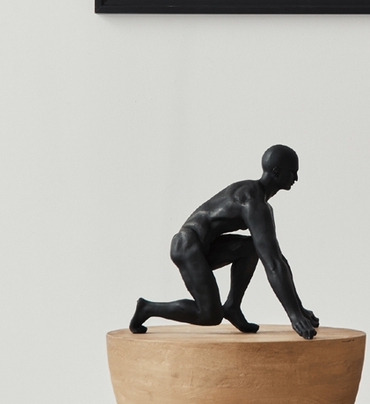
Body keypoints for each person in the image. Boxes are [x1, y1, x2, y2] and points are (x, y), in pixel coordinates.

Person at [129, 145, 319, 339]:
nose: (296, 178)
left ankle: (233, 306)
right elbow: (274, 265)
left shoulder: (257, 198)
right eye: (292, 172)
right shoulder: (253, 203)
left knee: (253, 247)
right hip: (187, 246)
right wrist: (294, 316)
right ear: (276, 172)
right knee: (210, 314)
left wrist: (300, 309)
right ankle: (147, 308)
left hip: (205, 246)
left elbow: (276, 258)